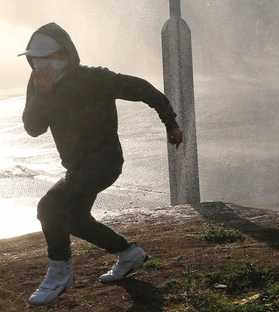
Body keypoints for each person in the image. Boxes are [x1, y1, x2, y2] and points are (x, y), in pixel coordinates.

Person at [20, 23, 183, 306]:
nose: (40, 64)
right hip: (76, 167)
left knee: (50, 206)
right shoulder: (38, 84)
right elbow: (34, 128)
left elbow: (145, 90)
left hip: (104, 161)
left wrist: (170, 123)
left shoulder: (94, 79)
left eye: (47, 58)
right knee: (77, 219)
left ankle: (60, 273)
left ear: (67, 55)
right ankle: (129, 254)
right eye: (34, 59)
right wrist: (43, 93)